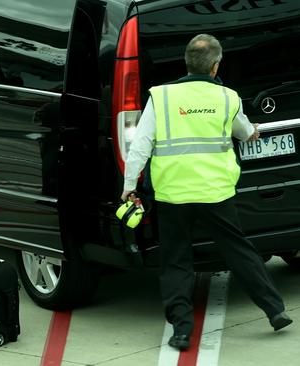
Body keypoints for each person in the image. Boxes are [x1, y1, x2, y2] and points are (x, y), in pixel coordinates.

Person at [121, 34, 292, 351]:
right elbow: (243, 131)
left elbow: (139, 146)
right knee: (239, 252)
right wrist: (253, 131)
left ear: (186, 63)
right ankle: (274, 310)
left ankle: (182, 332)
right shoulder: (228, 98)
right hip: (216, 194)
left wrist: (129, 187)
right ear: (216, 66)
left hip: (173, 195)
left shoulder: (161, 98)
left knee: (176, 262)